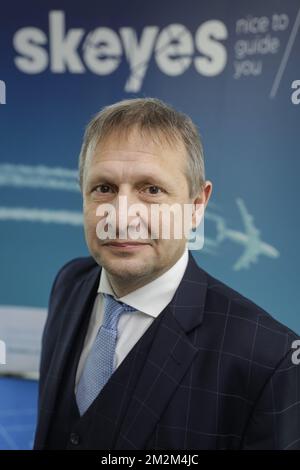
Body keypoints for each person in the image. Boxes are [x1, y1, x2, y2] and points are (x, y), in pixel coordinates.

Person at [34, 97, 300, 450]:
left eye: (152, 190)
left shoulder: (270, 358)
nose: (123, 216)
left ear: (196, 206)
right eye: (104, 188)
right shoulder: (69, 285)